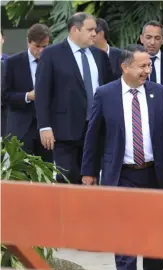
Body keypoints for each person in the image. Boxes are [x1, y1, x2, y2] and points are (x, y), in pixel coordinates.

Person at [81, 44, 163, 270]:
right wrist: (88, 172)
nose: (147, 70)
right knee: (125, 235)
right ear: (125, 67)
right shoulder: (105, 94)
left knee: (155, 237)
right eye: (142, 65)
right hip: (121, 175)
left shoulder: (161, 93)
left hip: (155, 174)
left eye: (149, 65)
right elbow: (93, 135)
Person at [35, 12, 113, 184]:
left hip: (95, 128)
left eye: (96, 30)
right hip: (65, 131)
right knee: (68, 178)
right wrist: (44, 126)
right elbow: (42, 93)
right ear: (74, 30)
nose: (95, 33)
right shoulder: (51, 54)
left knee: (91, 178)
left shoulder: (99, 55)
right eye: (90, 29)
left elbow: (109, 89)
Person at [2, 24, 53, 162]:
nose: (41, 51)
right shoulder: (13, 62)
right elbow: (4, 95)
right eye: (38, 46)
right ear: (28, 41)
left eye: (45, 46)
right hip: (21, 127)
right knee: (22, 173)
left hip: (47, 127)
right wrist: (27, 96)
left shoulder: (52, 61)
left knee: (46, 172)